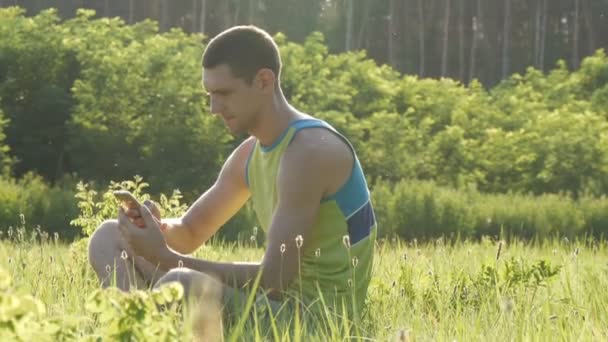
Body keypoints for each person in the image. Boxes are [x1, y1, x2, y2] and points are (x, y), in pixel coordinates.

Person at [87, 25, 377, 321]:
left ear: (264, 81)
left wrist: (166, 259)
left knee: (179, 285)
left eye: (224, 93)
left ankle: (142, 329)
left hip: (315, 318)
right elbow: (189, 232)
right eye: (210, 94)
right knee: (108, 237)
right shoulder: (249, 155)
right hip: (273, 305)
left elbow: (275, 280)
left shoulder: (310, 152)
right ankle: (132, 330)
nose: (214, 108)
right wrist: (153, 228)